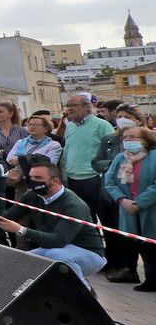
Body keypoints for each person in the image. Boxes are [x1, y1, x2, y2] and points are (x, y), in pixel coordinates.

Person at [0, 163, 105, 287]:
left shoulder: (74, 205)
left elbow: (58, 240)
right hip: (53, 248)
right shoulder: (32, 196)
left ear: (55, 181)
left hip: (88, 252)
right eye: (31, 177)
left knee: (57, 259)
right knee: (18, 262)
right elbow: (7, 217)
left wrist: (21, 230)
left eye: (38, 178)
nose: (33, 181)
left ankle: (84, 294)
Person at [60, 92, 122, 279]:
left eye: (74, 105)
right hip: (73, 179)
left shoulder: (101, 125)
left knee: (107, 223)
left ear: (87, 107)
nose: (69, 109)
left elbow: (111, 152)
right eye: (68, 106)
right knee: (86, 224)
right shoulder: (70, 127)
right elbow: (67, 152)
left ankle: (114, 262)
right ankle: (95, 259)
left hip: (95, 179)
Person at [104, 125, 156, 291]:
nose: (128, 141)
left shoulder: (154, 157)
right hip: (127, 208)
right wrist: (122, 200)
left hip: (150, 208)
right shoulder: (121, 158)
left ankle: (153, 279)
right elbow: (110, 181)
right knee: (137, 243)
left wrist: (140, 203)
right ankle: (148, 279)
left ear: (146, 141)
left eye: (133, 137)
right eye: (125, 137)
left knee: (151, 244)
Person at [0, 101, 27, 167]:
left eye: (0, 111)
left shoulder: (22, 131)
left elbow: (26, 149)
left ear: (11, 114)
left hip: (17, 166)